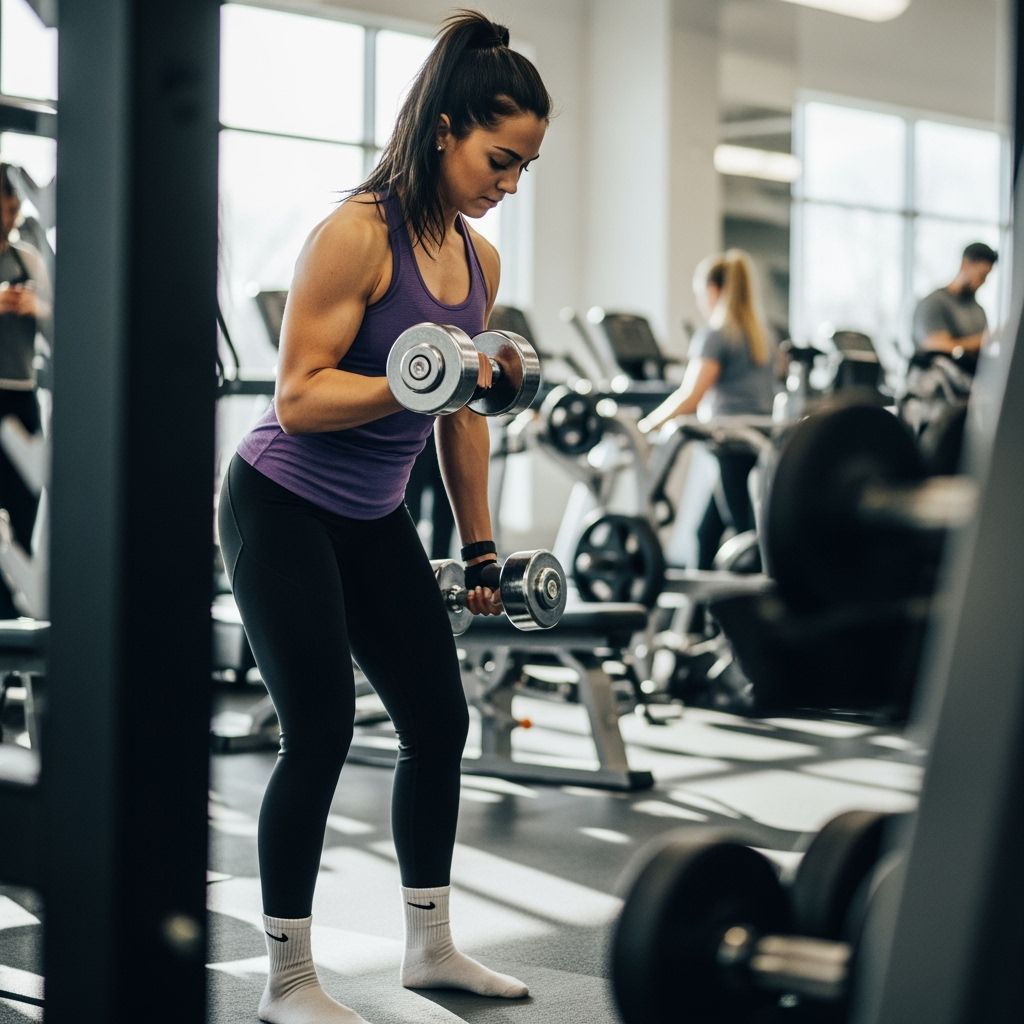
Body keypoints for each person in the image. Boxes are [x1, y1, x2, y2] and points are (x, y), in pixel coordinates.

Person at [216, 12, 549, 1024]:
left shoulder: (480, 262)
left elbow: (464, 413)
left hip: (375, 516)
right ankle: (286, 982)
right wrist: (421, 380)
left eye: (526, 165)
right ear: (446, 129)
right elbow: (301, 400)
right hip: (281, 505)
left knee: (437, 722)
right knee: (315, 729)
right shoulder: (356, 235)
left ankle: (432, 949)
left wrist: (481, 541)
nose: (509, 182)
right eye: (500, 157)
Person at [638, 250, 775, 572]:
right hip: (754, 438)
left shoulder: (716, 334)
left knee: (745, 535)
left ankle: (760, 610)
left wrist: (646, 426)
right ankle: (698, 617)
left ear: (714, 290)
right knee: (707, 533)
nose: (701, 301)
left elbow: (690, 396)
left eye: (701, 293)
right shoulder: (762, 335)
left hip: (729, 440)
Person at [0, 162, 52, 618]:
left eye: (17, 204)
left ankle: (11, 616)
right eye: (7, 203)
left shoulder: (28, 259)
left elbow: (60, 339)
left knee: (21, 514)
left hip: (21, 397)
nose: (14, 213)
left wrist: (39, 309)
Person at [912, 241, 997, 375]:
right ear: (965, 265)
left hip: (970, 386)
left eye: (986, 277)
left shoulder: (978, 311)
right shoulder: (934, 303)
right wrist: (983, 340)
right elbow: (935, 346)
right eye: (982, 275)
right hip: (936, 387)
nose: (983, 282)